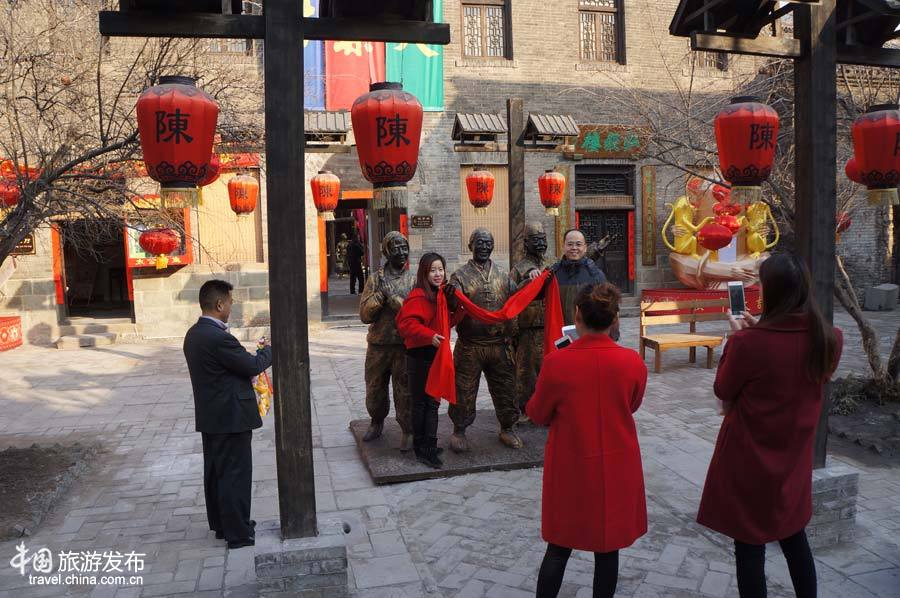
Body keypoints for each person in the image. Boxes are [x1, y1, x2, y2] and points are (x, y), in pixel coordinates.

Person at [697, 253, 843, 598]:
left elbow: (724, 388)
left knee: (749, 547)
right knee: (794, 536)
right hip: (793, 457)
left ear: (772, 292)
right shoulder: (830, 338)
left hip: (749, 459)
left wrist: (737, 341)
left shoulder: (749, 343)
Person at [527, 283, 647, 598]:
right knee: (608, 550)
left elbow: (538, 413)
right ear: (615, 319)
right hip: (616, 466)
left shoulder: (557, 362)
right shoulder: (632, 362)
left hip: (571, 465)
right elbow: (631, 405)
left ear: (576, 316)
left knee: (559, 546)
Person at [183, 279, 272, 550]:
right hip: (231, 417)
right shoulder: (219, 338)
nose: (232, 307)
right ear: (219, 304)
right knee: (235, 475)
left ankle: (225, 525)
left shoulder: (194, 334)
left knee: (218, 474)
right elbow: (251, 365)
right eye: (231, 302)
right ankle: (239, 534)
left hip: (212, 416)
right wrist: (268, 350)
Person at [448, 228, 522, 452]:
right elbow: (452, 307)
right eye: (479, 242)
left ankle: (507, 428)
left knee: (506, 388)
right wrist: (451, 296)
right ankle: (459, 430)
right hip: (471, 345)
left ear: (493, 246)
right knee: (464, 389)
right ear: (471, 246)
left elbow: (517, 299)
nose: (483, 246)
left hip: (499, 345)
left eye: (488, 243)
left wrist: (535, 282)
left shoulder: (502, 275)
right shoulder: (459, 276)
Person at [395, 253, 462, 469]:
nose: (438, 274)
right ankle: (422, 448)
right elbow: (405, 324)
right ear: (424, 273)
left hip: (435, 354)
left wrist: (458, 305)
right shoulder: (418, 296)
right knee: (422, 404)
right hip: (419, 356)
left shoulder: (440, 295)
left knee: (433, 403)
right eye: (433, 270)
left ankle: (429, 445)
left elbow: (447, 320)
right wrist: (428, 335)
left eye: (441, 269)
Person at [359, 232, 415, 449]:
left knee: (405, 390)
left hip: (404, 346)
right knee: (375, 388)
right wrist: (380, 297)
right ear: (386, 252)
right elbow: (364, 315)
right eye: (395, 248)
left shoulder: (413, 279)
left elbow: (417, 313)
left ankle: (408, 430)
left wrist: (398, 303)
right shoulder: (375, 279)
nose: (401, 252)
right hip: (378, 346)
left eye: (404, 247)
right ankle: (376, 421)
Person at [509, 222, 550, 422]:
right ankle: (525, 408)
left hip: (550, 326)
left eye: (543, 239)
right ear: (526, 243)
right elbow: (511, 299)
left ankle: (548, 406)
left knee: (548, 369)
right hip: (529, 329)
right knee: (527, 371)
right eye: (536, 240)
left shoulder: (551, 265)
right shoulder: (519, 269)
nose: (541, 244)